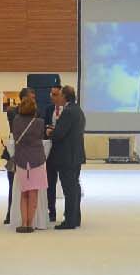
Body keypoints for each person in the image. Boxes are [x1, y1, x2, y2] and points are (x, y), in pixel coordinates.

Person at [8, 95, 48, 233]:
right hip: (37, 160)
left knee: (24, 193)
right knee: (33, 193)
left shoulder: (16, 121)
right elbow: (40, 137)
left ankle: (23, 223)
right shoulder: (40, 123)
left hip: (21, 160)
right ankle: (30, 224)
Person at [50, 85, 86, 229]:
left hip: (67, 156)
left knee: (69, 189)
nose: (57, 97)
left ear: (64, 96)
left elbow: (59, 134)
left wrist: (51, 133)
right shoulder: (78, 110)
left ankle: (70, 220)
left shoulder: (68, 111)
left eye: (59, 95)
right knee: (75, 187)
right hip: (76, 154)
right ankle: (75, 218)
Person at [46, 85, 65, 222]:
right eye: (51, 94)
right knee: (50, 184)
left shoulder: (68, 111)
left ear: (62, 95)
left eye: (55, 94)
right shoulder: (48, 109)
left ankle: (68, 213)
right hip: (50, 151)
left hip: (64, 151)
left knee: (66, 184)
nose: (52, 97)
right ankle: (51, 211)